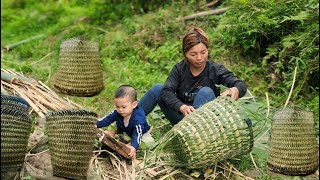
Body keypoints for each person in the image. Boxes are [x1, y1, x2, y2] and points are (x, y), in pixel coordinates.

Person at [138, 27, 247, 125]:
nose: (199, 58)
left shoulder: (215, 69)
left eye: (203, 52)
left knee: (206, 92)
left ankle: (192, 134)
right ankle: (129, 124)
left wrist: (236, 89)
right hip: (182, 118)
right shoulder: (179, 69)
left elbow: (239, 84)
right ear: (185, 54)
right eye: (193, 54)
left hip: (203, 123)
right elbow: (167, 91)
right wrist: (182, 107)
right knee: (157, 89)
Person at [96, 85, 155, 158]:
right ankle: (109, 139)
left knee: (149, 142)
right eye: (117, 106)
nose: (120, 110)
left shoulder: (138, 119)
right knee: (113, 125)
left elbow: (138, 134)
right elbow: (107, 119)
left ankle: (127, 147)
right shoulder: (118, 113)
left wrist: (134, 146)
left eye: (123, 107)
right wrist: (96, 124)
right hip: (124, 130)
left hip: (140, 134)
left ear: (134, 105)